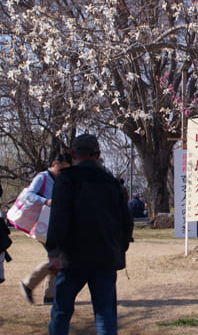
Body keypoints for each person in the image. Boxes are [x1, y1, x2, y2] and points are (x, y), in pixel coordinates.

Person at [46, 134, 133, 335]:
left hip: (72, 257)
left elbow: (59, 217)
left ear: (72, 154)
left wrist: (53, 251)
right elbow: (126, 221)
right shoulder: (112, 182)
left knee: (61, 311)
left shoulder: (66, 179)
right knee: (105, 314)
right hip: (105, 256)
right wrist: (121, 247)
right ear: (98, 154)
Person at [19, 152, 72, 306]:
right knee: (56, 257)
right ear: (54, 164)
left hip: (54, 224)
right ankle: (29, 284)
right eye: (62, 169)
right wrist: (45, 201)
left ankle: (49, 295)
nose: (63, 172)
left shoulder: (61, 180)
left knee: (57, 258)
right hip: (43, 225)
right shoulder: (42, 177)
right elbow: (29, 195)